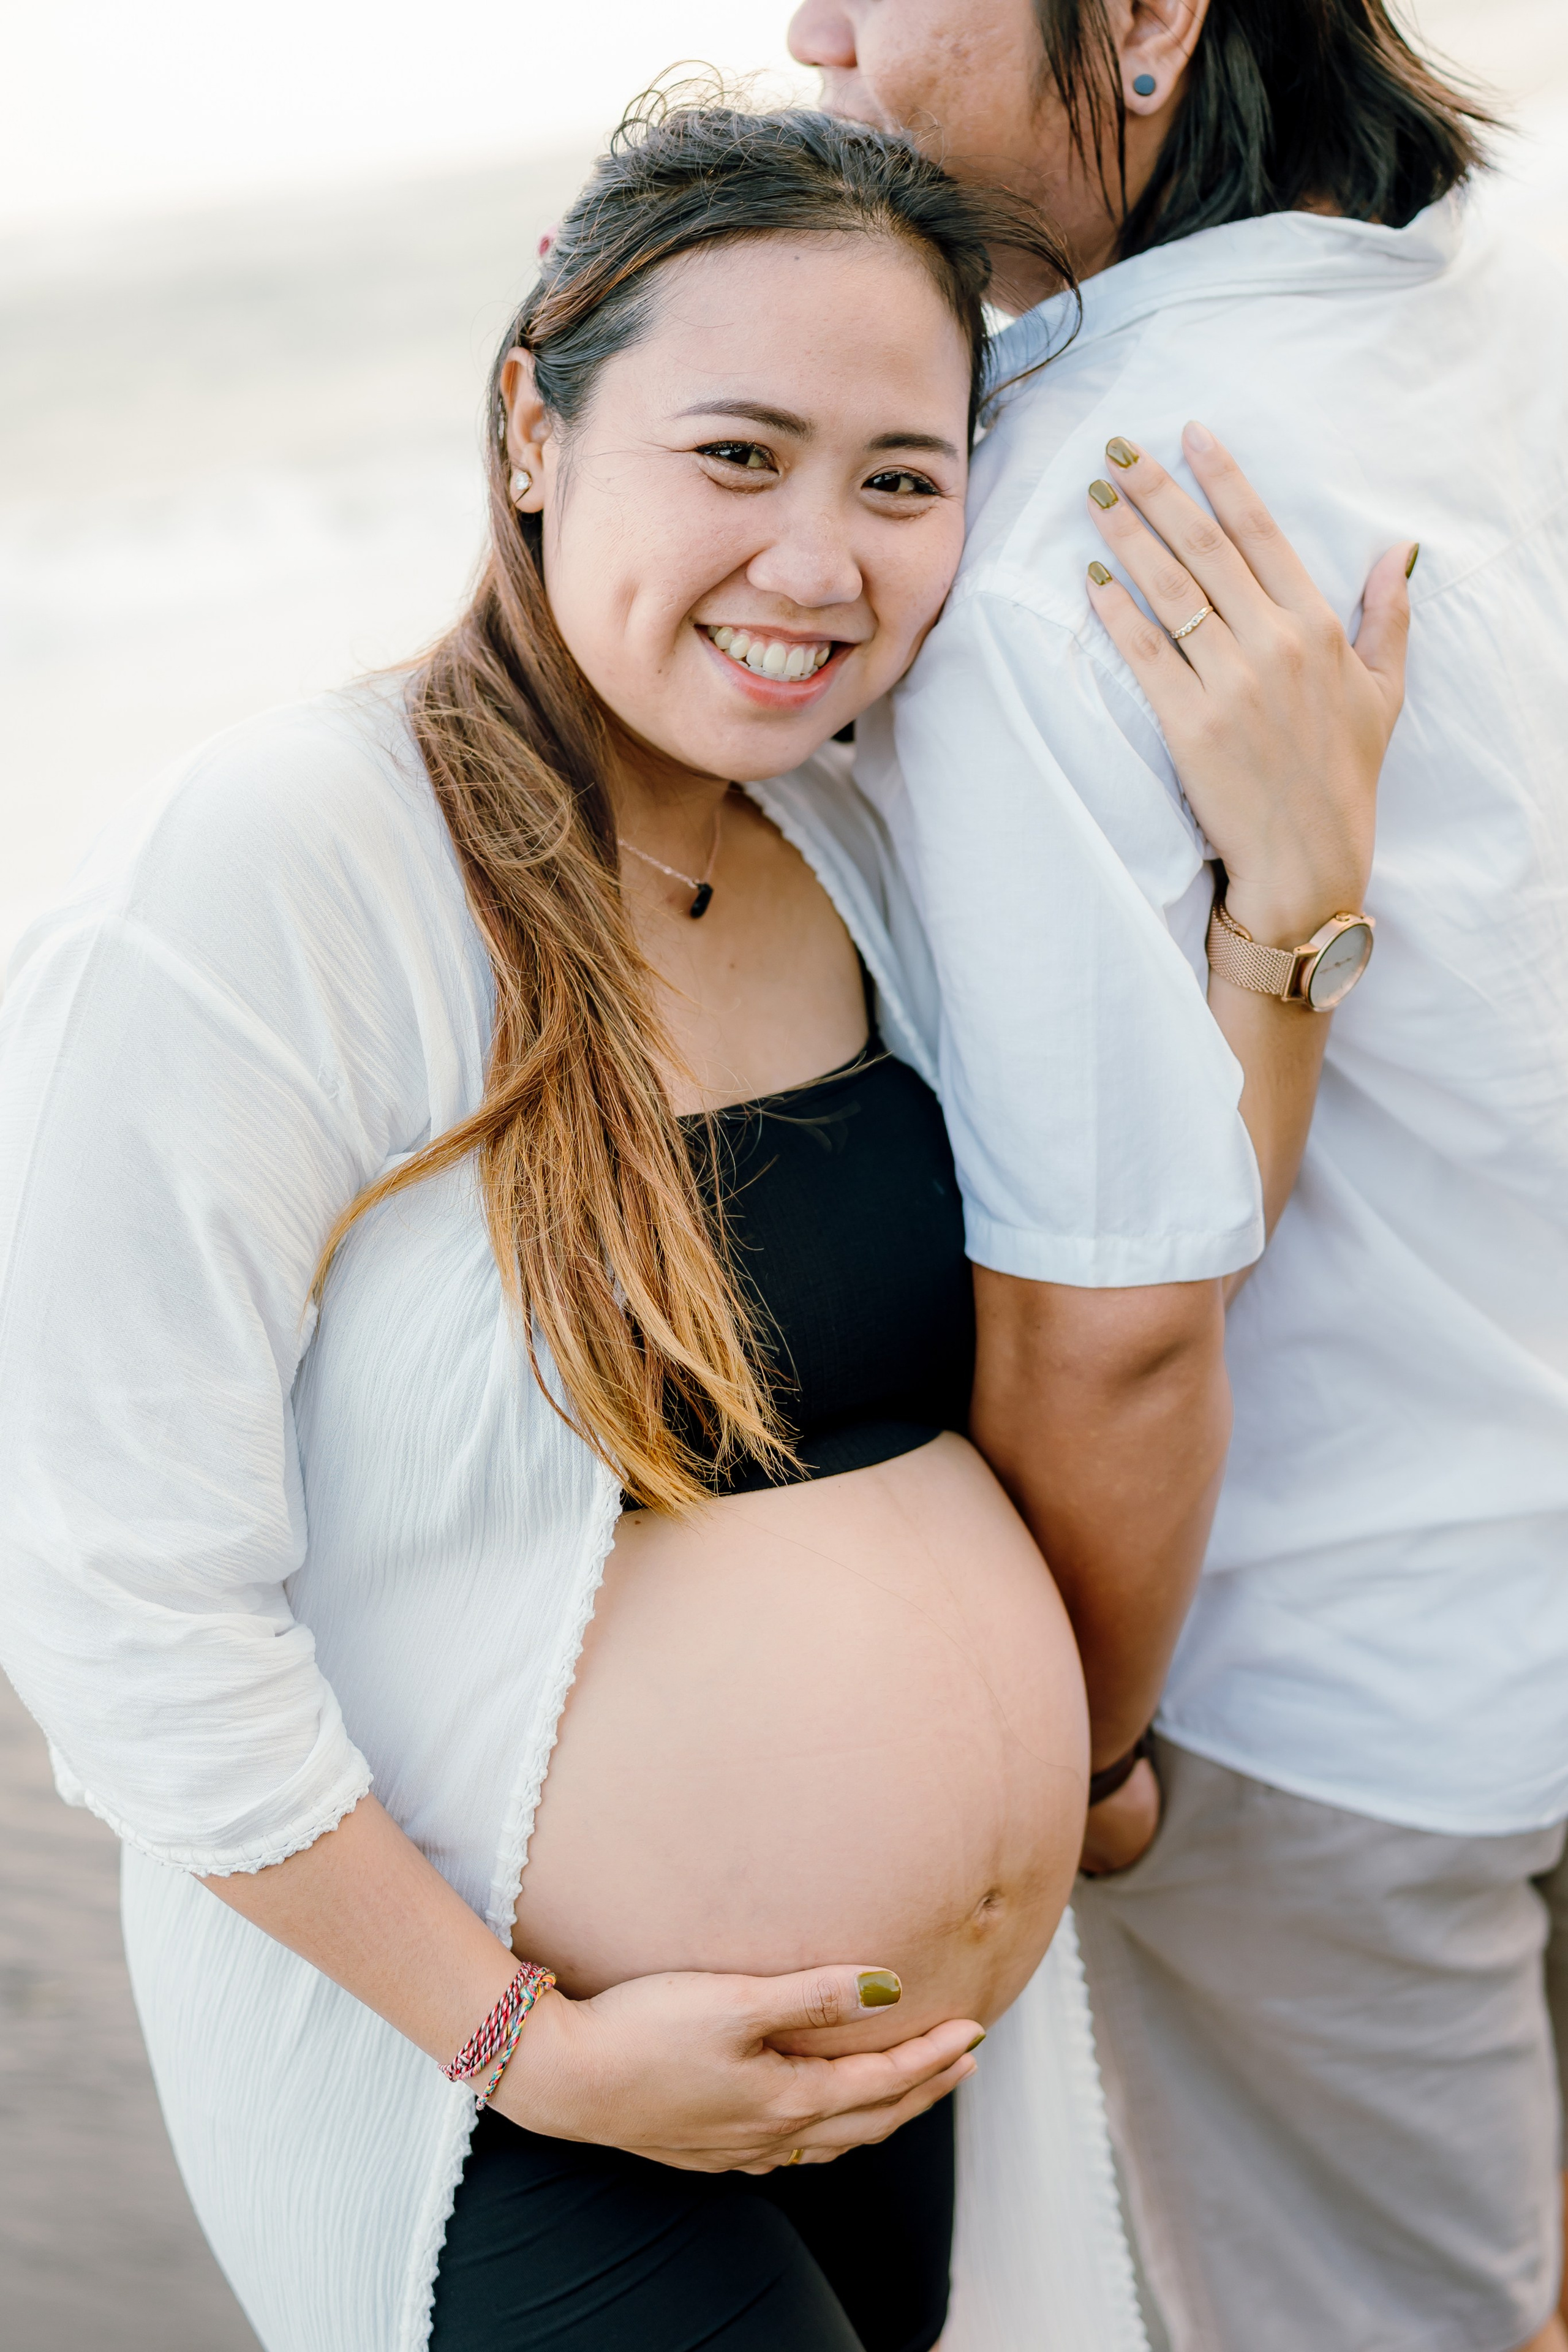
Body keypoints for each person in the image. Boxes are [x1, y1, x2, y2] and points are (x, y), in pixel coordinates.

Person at [0, 99, 1407, 2352]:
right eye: (737, 454)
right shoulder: (293, 865)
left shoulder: (871, 836)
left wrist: (1296, 899)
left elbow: (1135, 1267)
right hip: (502, 2096)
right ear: (533, 432)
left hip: (895, 2074)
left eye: (900, 477)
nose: (823, 561)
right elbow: (109, 1592)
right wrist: (522, 2044)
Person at [786, 2, 1568, 2347]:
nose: (808, 34)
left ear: (1138, 21)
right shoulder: (1503, 310)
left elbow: (1115, 1322)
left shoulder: (1061, 547)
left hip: (1327, 1696)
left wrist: (1093, 1755)